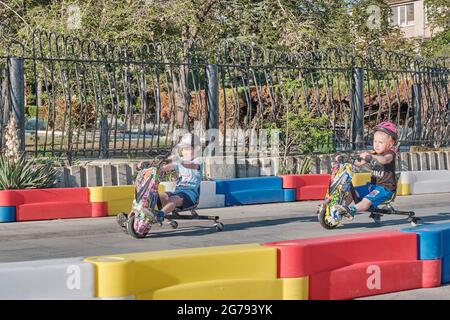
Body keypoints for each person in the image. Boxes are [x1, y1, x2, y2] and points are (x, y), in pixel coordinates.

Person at [116, 133, 203, 228]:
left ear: (197, 149)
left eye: (188, 149)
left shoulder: (198, 161)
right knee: (156, 196)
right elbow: (165, 167)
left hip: (190, 195)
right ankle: (130, 219)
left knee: (173, 200)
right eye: (184, 149)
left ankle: (160, 215)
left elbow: (189, 165)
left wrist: (179, 161)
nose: (185, 152)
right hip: (177, 191)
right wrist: (149, 165)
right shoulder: (180, 161)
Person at [330, 121, 399, 223]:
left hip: (385, 188)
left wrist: (371, 157)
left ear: (390, 144)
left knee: (367, 201)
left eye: (380, 142)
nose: (377, 145)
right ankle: (341, 208)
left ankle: (351, 210)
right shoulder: (373, 153)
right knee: (351, 192)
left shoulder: (390, 153)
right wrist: (345, 159)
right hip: (372, 186)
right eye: (375, 142)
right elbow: (358, 163)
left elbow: (385, 160)